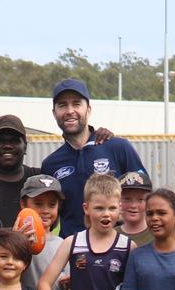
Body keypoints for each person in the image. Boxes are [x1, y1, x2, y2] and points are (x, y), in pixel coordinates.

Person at [40, 79, 145, 237]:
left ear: (88, 109)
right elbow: (50, 216)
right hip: (72, 252)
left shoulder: (118, 147)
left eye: (76, 104)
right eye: (62, 105)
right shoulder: (51, 164)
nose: (70, 111)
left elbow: (143, 195)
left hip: (116, 250)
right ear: (54, 113)